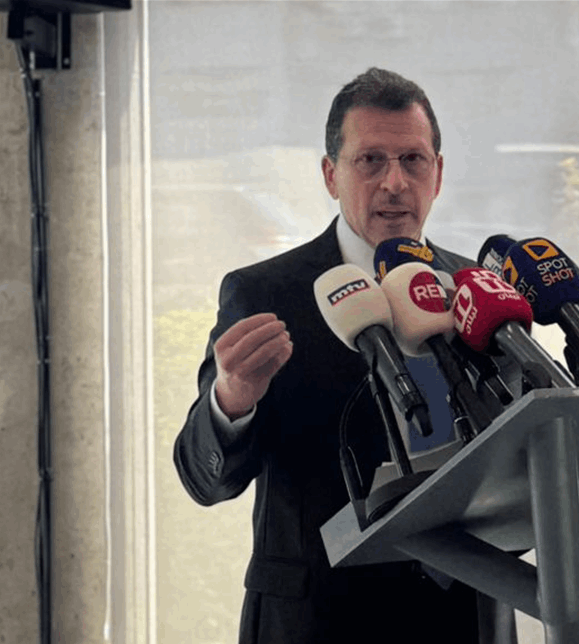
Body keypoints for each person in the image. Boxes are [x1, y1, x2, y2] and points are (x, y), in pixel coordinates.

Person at [173, 68, 514, 644]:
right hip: (318, 619)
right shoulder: (266, 292)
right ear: (331, 175)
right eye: (371, 161)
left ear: (437, 173)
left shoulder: (477, 288)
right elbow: (204, 480)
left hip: (466, 616)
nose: (395, 183)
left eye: (413, 160)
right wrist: (231, 402)